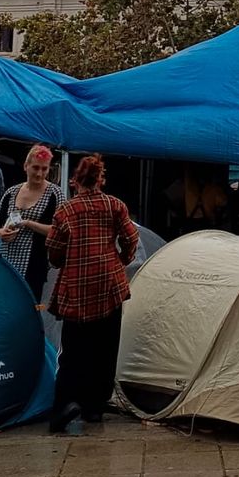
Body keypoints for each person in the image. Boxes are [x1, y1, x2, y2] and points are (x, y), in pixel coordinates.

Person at [46, 154, 139, 432]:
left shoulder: (66, 211)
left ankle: (65, 403)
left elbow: (53, 250)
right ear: (101, 179)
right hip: (110, 286)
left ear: (76, 180)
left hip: (77, 285)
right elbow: (131, 238)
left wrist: (64, 260)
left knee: (73, 348)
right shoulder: (115, 206)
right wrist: (120, 260)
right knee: (105, 347)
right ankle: (94, 407)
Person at [0, 144, 65, 294]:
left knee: (32, 308)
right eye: (35, 168)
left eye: (44, 169)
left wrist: (28, 223)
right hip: (6, 262)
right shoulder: (12, 192)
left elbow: (59, 230)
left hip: (35, 265)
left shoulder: (55, 193)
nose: (40, 174)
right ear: (25, 166)